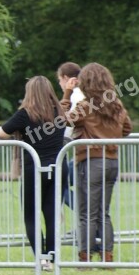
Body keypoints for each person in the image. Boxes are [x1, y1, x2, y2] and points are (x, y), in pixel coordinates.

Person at [61, 63, 132, 266]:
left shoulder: (86, 105)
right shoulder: (116, 104)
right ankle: (107, 256)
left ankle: (85, 257)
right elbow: (127, 128)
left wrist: (67, 94)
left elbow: (63, 120)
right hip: (112, 161)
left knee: (86, 213)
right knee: (104, 212)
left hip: (90, 161)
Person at [0, 76, 68, 271]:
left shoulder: (25, 114)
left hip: (33, 169)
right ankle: (52, 259)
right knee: (52, 214)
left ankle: (41, 259)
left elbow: (0, 133)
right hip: (58, 168)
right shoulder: (60, 111)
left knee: (31, 216)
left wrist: (20, 135)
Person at [57, 62, 85, 211]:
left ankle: (85, 218)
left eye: (60, 80)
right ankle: (85, 224)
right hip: (87, 150)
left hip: (84, 150)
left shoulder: (75, 96)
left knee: (59, 183)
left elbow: (65, 122)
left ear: (66, 78)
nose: (60, 84)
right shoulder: (83, 94)